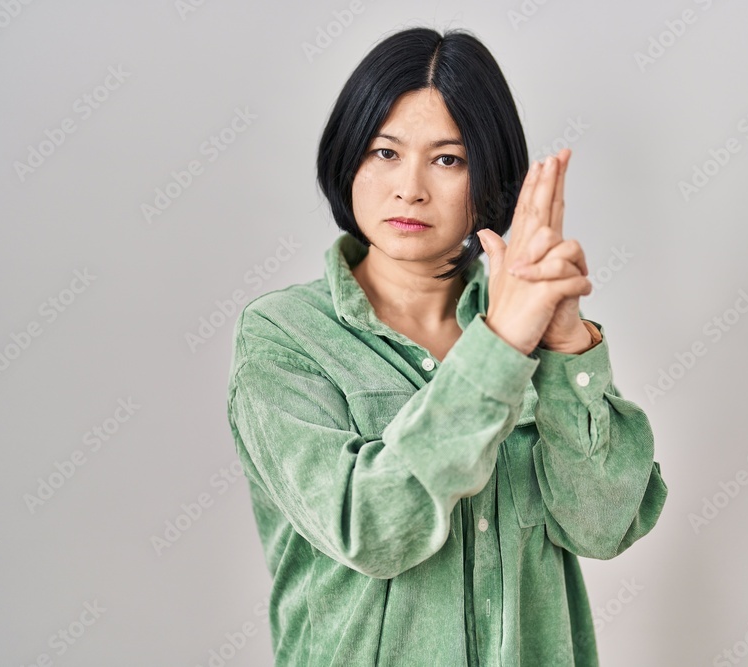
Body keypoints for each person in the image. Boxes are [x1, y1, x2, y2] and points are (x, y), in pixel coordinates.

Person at [226, 25, 668, 667]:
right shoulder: (285, 336)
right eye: (384, 153)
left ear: (488, 177)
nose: (410, 187)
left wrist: (567, 342)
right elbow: (369, 525)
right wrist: (500, 347)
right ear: (347, 155)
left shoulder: (530, 325)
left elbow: (605, 526)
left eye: (447, 159)